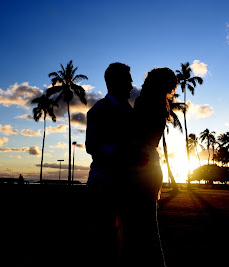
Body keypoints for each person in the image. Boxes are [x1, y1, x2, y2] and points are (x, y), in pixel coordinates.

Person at [120, 68, 178, 267]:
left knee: (137, 224)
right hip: (151, 164)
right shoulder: (161, 105)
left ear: (155, 83)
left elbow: (133, 134)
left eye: (147, 81)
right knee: (146, 224)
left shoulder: (144, 102)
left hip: (142, 164)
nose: (142, 84)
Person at [86, 62, 137, 266]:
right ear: (115, 82)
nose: (132, 85)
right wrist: (123, 153)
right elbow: (93, 146)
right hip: (104, 183)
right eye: (128, 80)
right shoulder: (99, 109)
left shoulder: (129, 110)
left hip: (125, 183)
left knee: (123, 234)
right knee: (103, 234)